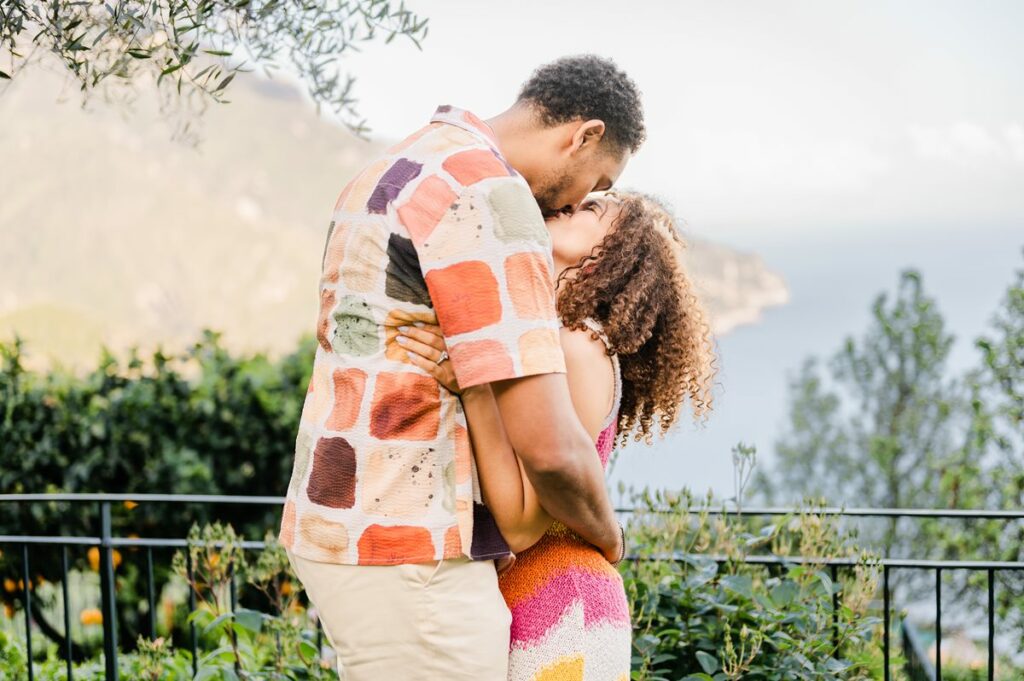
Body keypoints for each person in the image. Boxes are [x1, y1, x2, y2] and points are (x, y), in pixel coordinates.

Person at [278, 55, 646, 680]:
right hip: (415, 548)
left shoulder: (404, 164)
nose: (587, 198)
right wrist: (609, 538)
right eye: (600, 183)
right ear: (584, 136)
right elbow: (553, 450)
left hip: (346, 522)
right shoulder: (491, 196)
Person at [400, 190, 718, 680]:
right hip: (543, 599)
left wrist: (474, 389)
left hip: (563, 607)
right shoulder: (553, 338)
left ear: (617, 254)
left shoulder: (578, 344)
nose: (565, 207)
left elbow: (522, 521)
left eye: (590, 210)